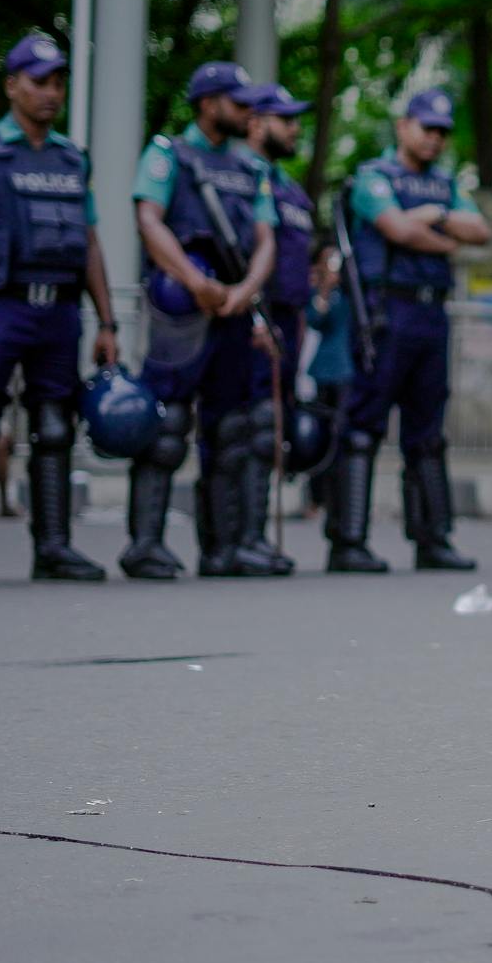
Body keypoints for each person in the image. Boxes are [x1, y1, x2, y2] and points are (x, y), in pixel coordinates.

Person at [0, 33, 119, 584]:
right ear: (12, 85)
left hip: (59, 311)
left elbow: (89, 244)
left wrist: (106, 322)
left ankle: (54, 547)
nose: (50, 92)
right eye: (39, 81)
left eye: (58, 82)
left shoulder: (70, 158)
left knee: (56, 427)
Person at [121, 61, 278, 580]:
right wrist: (196, 282)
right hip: (183, 311)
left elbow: (265, 239)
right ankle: (146, 545)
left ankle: (222, 548)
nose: (247, 111)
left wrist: (244, 291)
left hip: (231, 309)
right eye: (237, 103)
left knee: (230, 430)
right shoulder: (169, 155)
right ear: (208, 104)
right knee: (165, 427)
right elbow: (148, 219)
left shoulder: (249, 168)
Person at [330, 90, 490, 574]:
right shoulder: (375, 177)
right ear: (403, 126)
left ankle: (432, 539)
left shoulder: (444, 185)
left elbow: (479, 230)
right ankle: (348, 541)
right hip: (385, 313)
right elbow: (396, 229)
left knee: (427, 433)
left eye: (442, 131)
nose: (435, 139)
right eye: (427, 128)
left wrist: (434, 217)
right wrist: (445, 239)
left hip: (430, 317)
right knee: (362, 428)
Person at [239, 82, 322, 573]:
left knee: (273, 429)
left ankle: (255, 536)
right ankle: (240, 537)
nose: (294, 128)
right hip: (255, 318)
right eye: (284, 118)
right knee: (248, 429)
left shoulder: (289, 188)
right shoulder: (242, 176)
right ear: (256, 123)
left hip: (290, 320)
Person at [301, 240, 350, 516]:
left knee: (342, 437)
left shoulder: (351, 292)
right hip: (323, 371)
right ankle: (315, 498)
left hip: (347, 373)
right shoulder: (319, 293)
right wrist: (324, 287)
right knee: (318, 438)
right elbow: (314, 319)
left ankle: (339, 500)